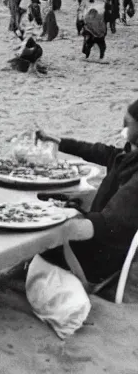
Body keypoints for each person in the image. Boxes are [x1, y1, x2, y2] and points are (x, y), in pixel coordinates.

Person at [36, 100, 138, 284]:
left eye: (127, 123)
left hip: (103, 257)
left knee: (38, 243)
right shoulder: (129, 155)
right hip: (109, 242)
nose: (122, 127)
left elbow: (106, 224)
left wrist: (59, 227)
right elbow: (100, 151)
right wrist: (59, 141)